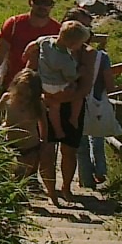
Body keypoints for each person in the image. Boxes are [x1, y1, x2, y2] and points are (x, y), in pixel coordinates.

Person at [26, 22, 96, 202]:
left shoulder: (48, 44)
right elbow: (76, 79)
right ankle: (52, 191)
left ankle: (65, 188)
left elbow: (85, 88)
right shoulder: (65, 56)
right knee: (47, 148)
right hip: (53, 98)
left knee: (68, 149)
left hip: (51, 98)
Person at [0, 0, 62, 97]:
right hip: (10, 85)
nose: (42, 6)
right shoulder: (14, 24)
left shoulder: (57, 30)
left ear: (52, 5)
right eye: (38, 2)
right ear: (30, 3)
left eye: (47, 3)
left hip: (41, 90)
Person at [0, 68, 47, 182]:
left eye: (28, 96)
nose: (23, 99)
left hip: (29, 146)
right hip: (10, 144)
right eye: (20, 94)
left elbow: (43, 124)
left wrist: (43, 142)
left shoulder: (37, 106)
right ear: (14, 87)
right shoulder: (8, 98)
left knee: (23, 175)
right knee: (11, 172)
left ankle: (25, 191)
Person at [77, 31, 114, 189]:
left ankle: (85, 179)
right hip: (96, 102)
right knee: (97, 139)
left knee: (80, 143)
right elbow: (110, 85)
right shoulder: (101, 57)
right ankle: (100, 172)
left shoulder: (71, 56)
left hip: (75, 102)